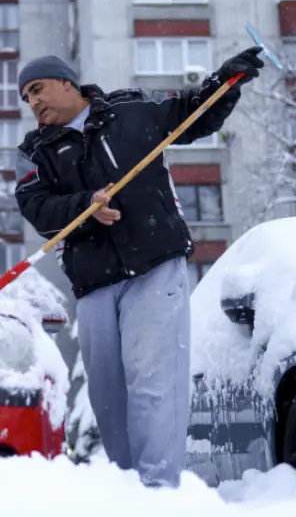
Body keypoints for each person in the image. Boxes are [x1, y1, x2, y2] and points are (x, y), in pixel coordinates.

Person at [13, 48, 264, 487]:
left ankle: (159, 491)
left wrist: (227, 81)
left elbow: (193, 113)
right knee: (108, 396)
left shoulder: (130, 109)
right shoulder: (35, 151)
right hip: (94, 283)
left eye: (38, 89)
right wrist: (86, 208)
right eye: (26, 97)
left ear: (67, 83)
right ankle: (125, 488)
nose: (33, 102)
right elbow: (37, 209)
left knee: (154, 383)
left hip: (154, 266)